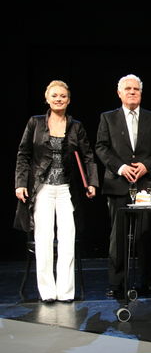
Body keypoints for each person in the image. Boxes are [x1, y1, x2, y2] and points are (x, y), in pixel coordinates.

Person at [14, 80, 98, 303]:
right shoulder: (35, 122)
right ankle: (47, 292)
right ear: (47, 98)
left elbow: (88, 156)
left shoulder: (76, 126)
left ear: (68, 100)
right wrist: (20, 183)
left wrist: (91, 182)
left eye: (62, 96)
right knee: (43, 239)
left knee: (67, 238)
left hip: (66, 189)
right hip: (41, 188)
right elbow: (23, 154)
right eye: (54, 95)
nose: (58, 99)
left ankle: (66, 292)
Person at [95, 74, 151, 298]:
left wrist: (146, 165)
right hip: (118, 183)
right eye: (127, 89)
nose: (132, 92)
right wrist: (120, 167)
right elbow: (101, 147)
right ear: (119, 93)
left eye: (136, 89)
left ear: (141, 93)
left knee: (144, 235)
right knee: (118, 237)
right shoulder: (108, 118)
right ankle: (116, 283)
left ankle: (147, 281)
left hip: (145, 184)